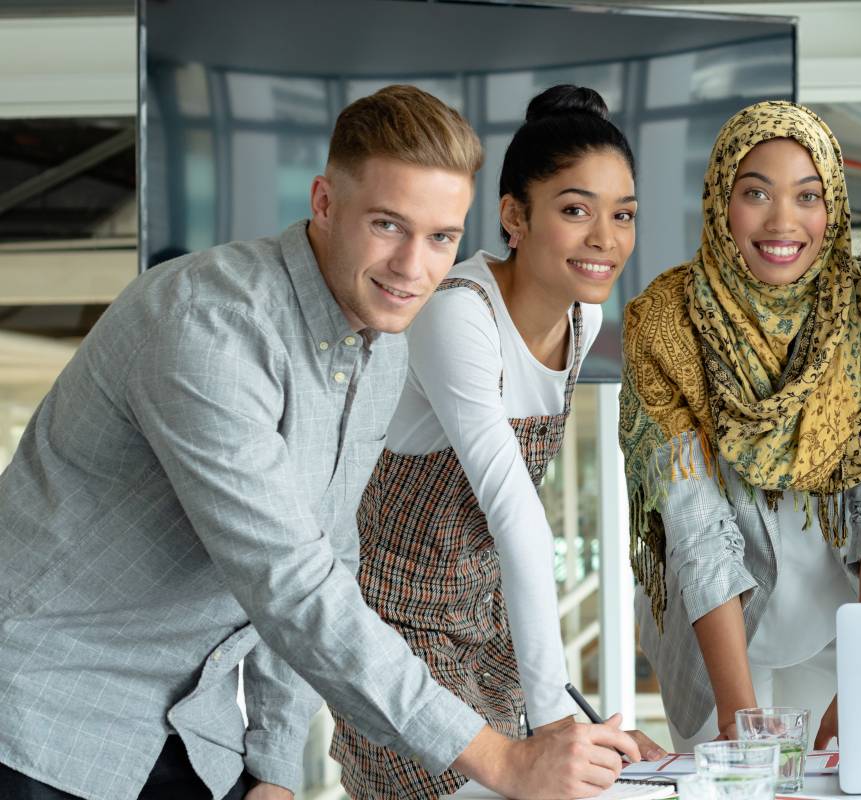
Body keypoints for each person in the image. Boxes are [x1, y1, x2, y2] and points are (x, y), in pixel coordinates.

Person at [0, 85, 638, 800]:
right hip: (41, 712)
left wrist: (273, 763)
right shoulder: (209, 328)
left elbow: (331, 554)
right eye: (389, 225)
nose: (413, 267)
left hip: (187, 724)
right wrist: (500, 758)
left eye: (441, 238)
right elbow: (290, 584)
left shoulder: (381, 342)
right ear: (325, 204)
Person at [331, 85, 664, 799]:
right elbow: (516, 517)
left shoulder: (581, 324)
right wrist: (551, 728)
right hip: (396, 626)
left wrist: (573, 728)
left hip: (486, 630)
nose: (605, 237)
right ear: (515, 215)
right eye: (575, 210)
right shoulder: (458, 315)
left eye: (623, 215)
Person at [621, 101, 861, 752]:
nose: (784, 221)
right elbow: (695, 528)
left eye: (807, 196)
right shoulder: (665, 325)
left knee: (847, 778)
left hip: (841, 619)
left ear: (832, 207)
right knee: (731, 778)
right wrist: (738, 717)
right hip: (714, 632)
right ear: (721, 201)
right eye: (755, 193)